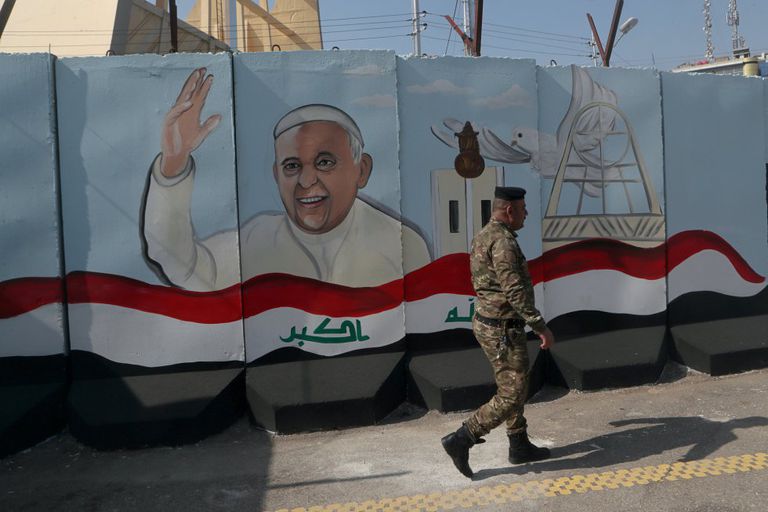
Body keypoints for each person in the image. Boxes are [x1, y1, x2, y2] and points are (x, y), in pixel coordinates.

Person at [142, 68, 430, 292]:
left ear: (362, 170)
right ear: (277, 176)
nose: (306, 180)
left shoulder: (403, 246)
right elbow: (181, 263)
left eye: (325, 162)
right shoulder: (256, 240)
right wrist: (174, 163)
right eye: (292, 166)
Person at [441, 186, 556, 478]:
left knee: (513, 385)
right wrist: (540, 326)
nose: (526, 213)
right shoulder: (503, 243)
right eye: (523, 209)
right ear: (509, 210)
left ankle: (519, 444)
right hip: (502, 329)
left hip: (492, 324)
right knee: (513, 393)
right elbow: (514, 291)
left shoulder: (484, 235)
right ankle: (462, 438)